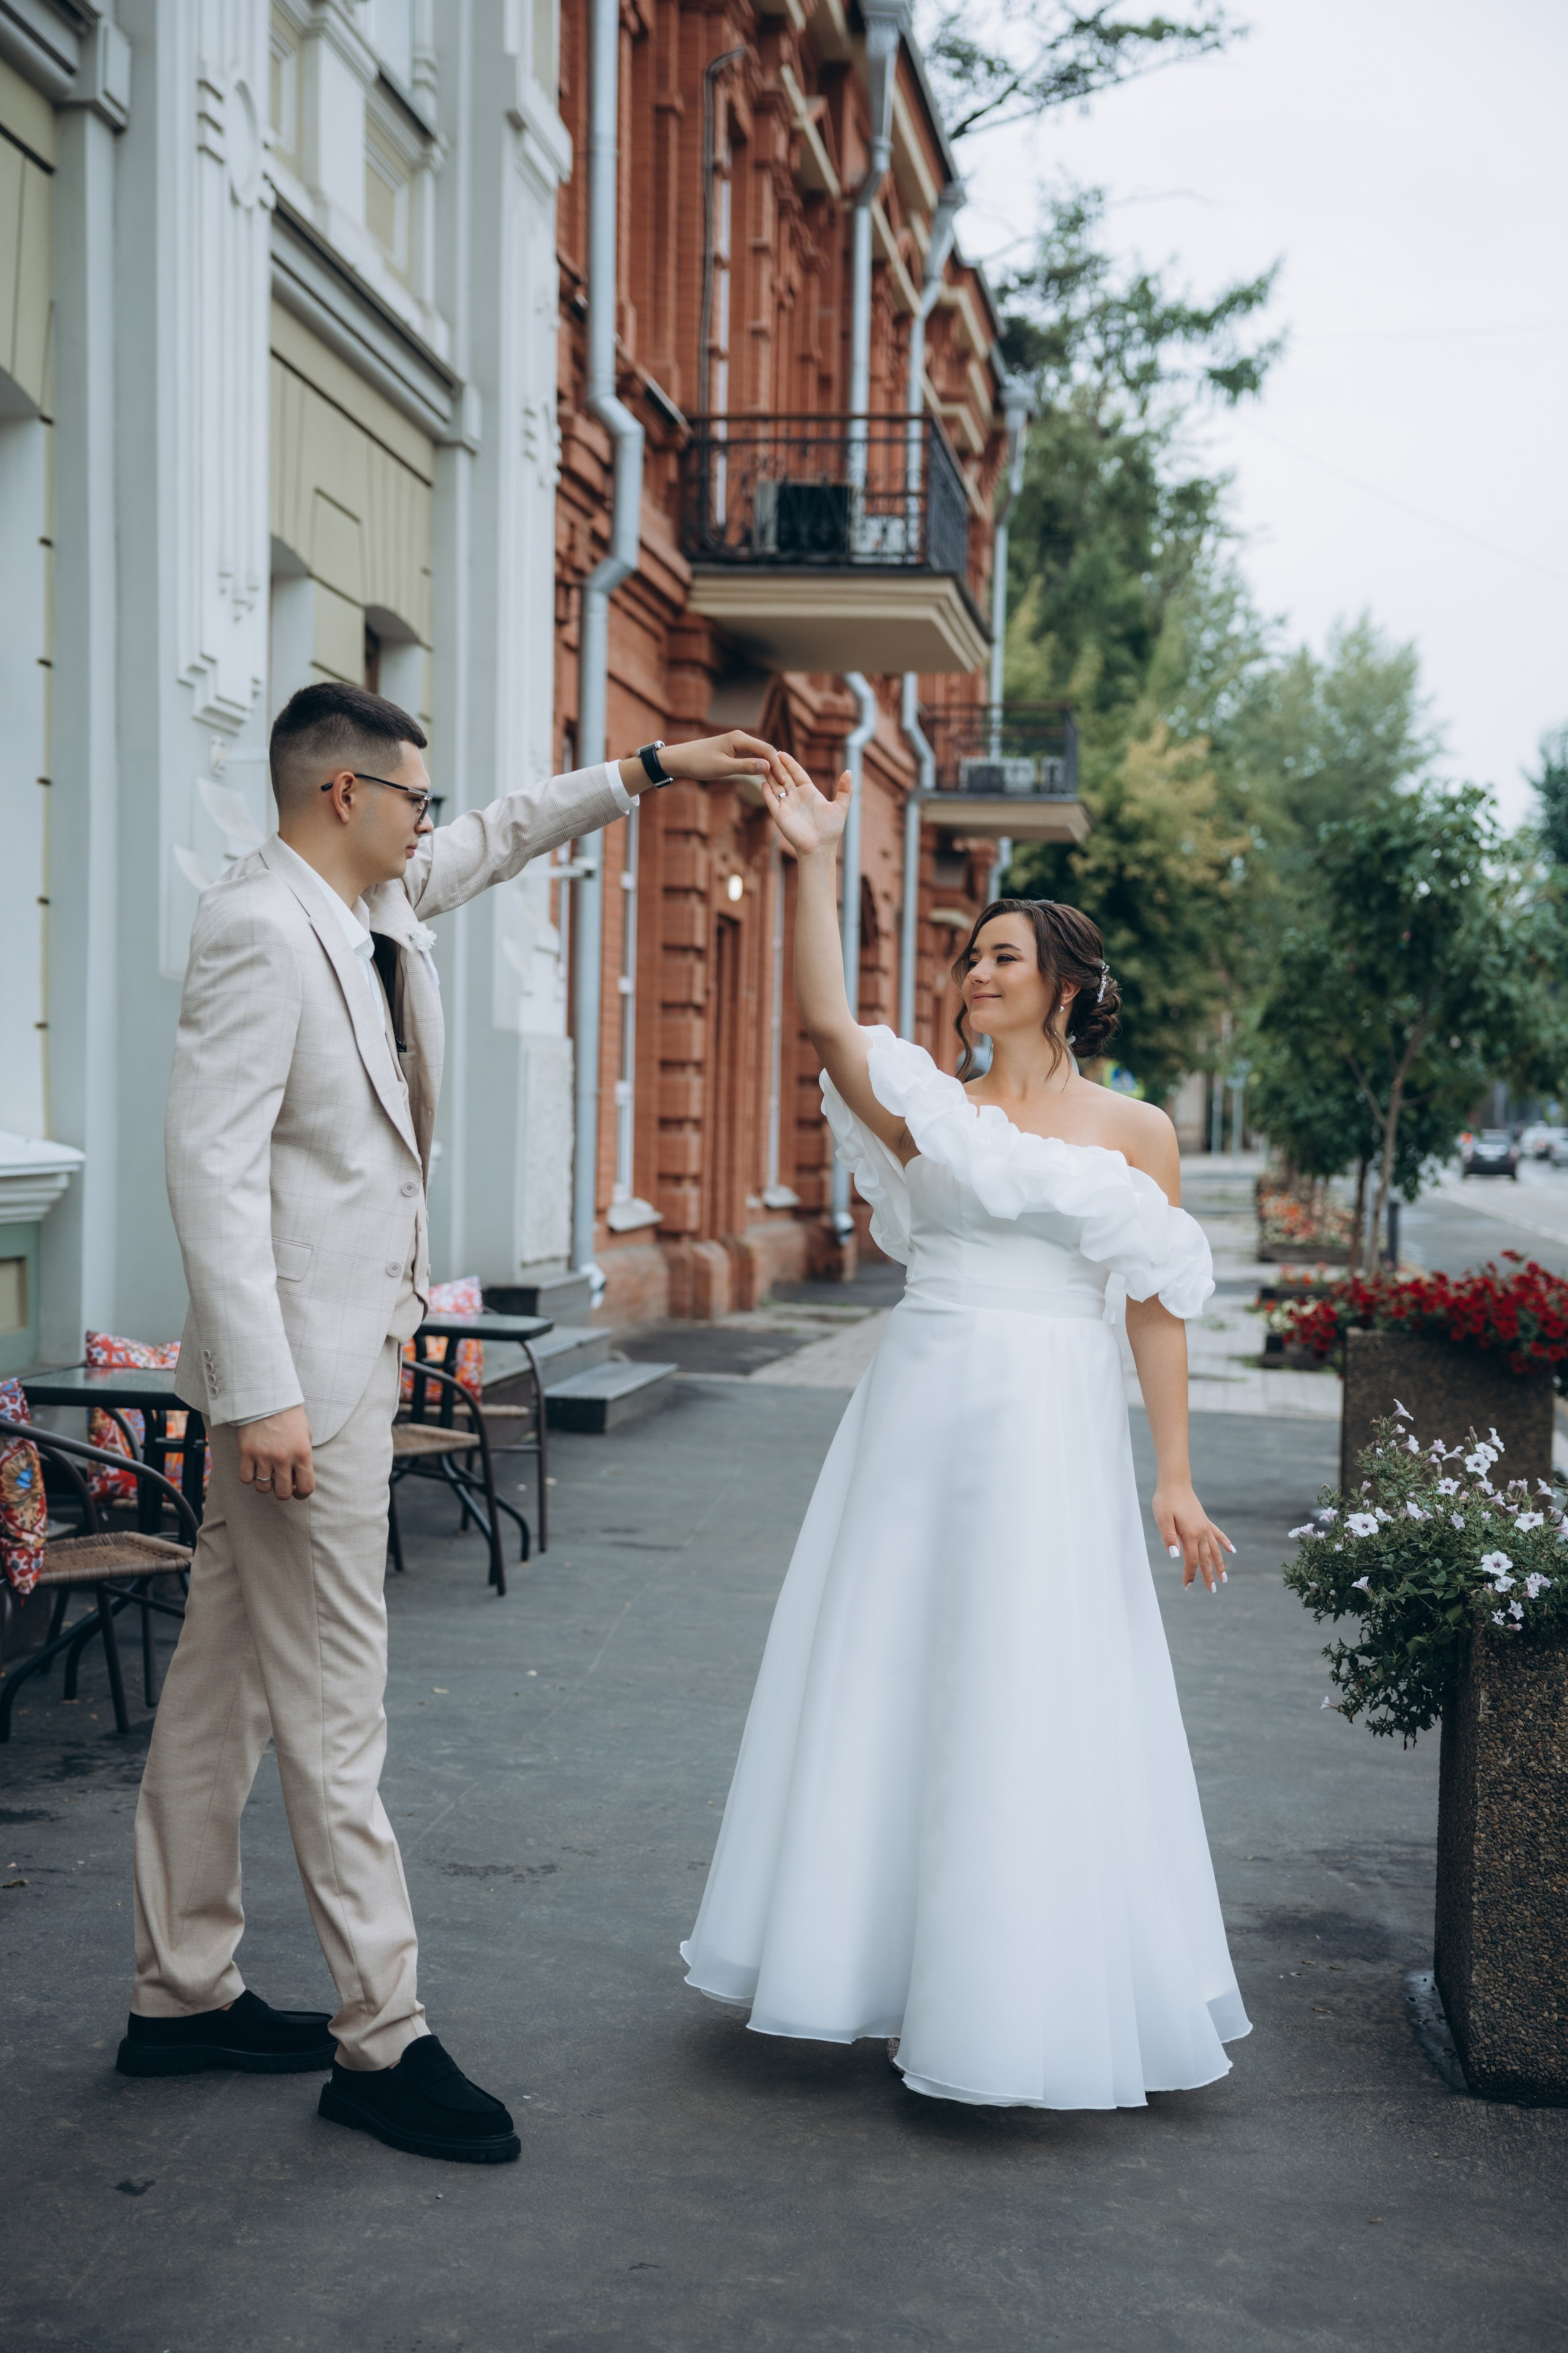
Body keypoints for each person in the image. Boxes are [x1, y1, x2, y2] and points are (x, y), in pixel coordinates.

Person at [124, 682, 774, 2163]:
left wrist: (652, 766)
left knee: (221, 1689)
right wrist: (267, 1387)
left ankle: (178, 1992)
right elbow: (208, 1171)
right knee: (336, 1707)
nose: (434, 816)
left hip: (342, 1356)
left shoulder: (375, 897)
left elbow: (498, 835)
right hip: (309, 1385)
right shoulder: (256, 929)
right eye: (412, 794)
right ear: (340, 793)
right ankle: (382, 2036)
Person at [681, 750, 1251, 2110]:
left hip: (1050, 1424)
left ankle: (1014, 1989)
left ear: (1061, 981)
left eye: (998, 956)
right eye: (964, 960)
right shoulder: (931, 1108)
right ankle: (862, 1964)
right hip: (916, 1412)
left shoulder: (1135, 1130)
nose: (972, 974)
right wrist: (813, 854)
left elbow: (1157, 1304)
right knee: (887, 1668)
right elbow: (824, 1020)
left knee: (1030, 1681)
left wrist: (1171, 1475)